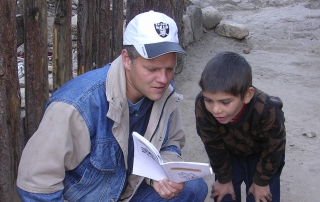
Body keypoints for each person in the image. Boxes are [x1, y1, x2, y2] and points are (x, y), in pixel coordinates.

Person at [16, 10, 208, 202]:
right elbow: (36, 186)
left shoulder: (165, 94)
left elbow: (171, 144)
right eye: (152, 69)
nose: (163, 79)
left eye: (169, 69)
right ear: (126, 59)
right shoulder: (76, 105)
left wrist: (161, 175)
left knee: (193, 187)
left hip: (129, 192)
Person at [194, 51, 286, 202]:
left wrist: (261, 181)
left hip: (262, 154)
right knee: (224, 195)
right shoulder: (202, 105)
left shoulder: (267, 110)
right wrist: (223, 177)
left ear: (247, 95)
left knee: (262, 196)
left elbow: (273, 148)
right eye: (209, 100)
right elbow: (212, 143)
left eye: (225, 102)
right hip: (227, 150)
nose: (215, 109)